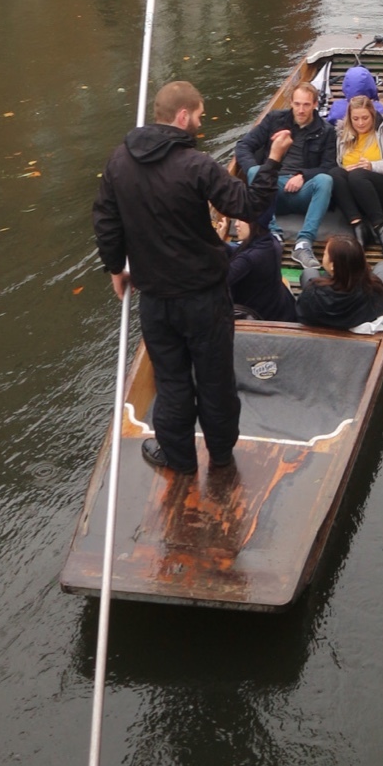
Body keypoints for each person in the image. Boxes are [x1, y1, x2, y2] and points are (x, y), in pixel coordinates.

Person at [93, 79, 293, 476]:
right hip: (204, 299)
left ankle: (179, 458)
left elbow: (106, 222)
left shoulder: (118, 162)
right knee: (215, 380)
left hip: (155, 299)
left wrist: (116, 268)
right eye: (199, 115)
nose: (201, 122)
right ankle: (220, 455)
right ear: (182, 116)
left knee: (171, 382)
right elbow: (249, 205)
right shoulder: (196, 166)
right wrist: (272, 159)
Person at [234, 80, 336, 276]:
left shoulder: (326, 131)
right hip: (272, 189)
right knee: (256, 172)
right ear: (291, 102)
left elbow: (329, 166)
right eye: (297, 104)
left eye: (306, 105)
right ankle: (272, 234)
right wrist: (255, 170)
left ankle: (304, 243)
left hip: (302, 192)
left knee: (325, 180)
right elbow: (243, 146)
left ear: (315, 105)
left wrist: (303, 176)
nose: (301, 110)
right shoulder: (274, 120)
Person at [327, 92, 383, 257]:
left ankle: (382, 229)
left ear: (373, 115)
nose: (360, 123)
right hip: (361, 198)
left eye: (365, 118)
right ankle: (359, 227)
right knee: (335, 173)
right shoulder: (343, 136)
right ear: (349, 118)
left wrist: (372, 166)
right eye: (355, 119)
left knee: (358, 175)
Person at [297, 233, 383, 331]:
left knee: (309, 271)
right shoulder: (374, 290)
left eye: (324, 254)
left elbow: (303, 315)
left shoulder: (313, 291)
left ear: (333, 266)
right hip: (359, 319)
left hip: (325, 324)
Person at [223, 214, 298, 322]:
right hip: (282, 310)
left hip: (264, 319)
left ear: (255, 224)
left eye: (241, 220)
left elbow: (216, 283)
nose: (236, 224)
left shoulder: (249, 258)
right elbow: (236, 252)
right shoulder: (270, 242)